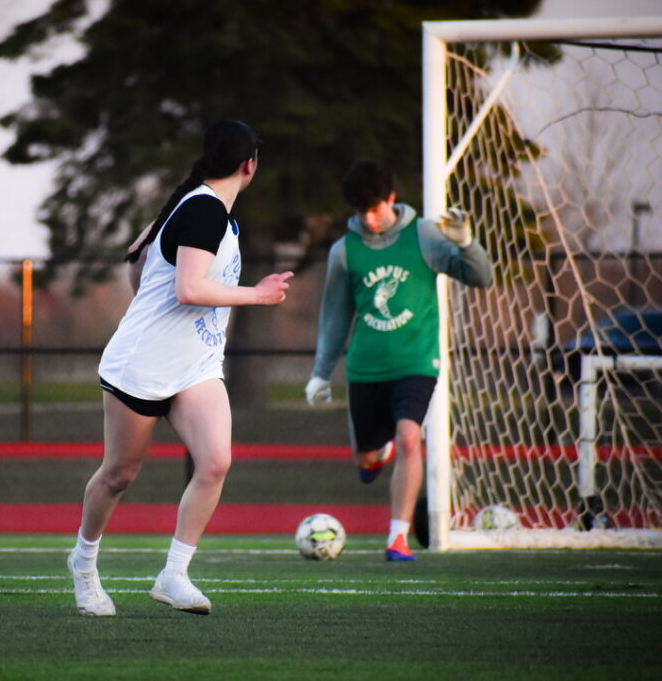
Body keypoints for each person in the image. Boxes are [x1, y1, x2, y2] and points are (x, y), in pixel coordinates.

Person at [67, 120, 293, 616]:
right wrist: (256, 294)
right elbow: (187, 289)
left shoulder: (206, 212)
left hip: (195, 368)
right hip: (141, 368)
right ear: (249, 164)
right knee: (120, 474)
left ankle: (174, 574)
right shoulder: (203, 212)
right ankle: (83, 565)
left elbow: (139, 263)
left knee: (215, 462)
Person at [305, 158, 492, 561]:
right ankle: (377, 452)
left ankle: (397, 538)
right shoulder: (344, 252)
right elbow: (335, 317)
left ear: (391, 198)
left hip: (417, 364)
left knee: (411, 437)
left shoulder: (424, 235)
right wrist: (321, 373)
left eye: (375, 209)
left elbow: (481, 277)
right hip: (366, 369)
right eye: (361, 212)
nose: (370, 219)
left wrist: (465, 244)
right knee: (367, 461)